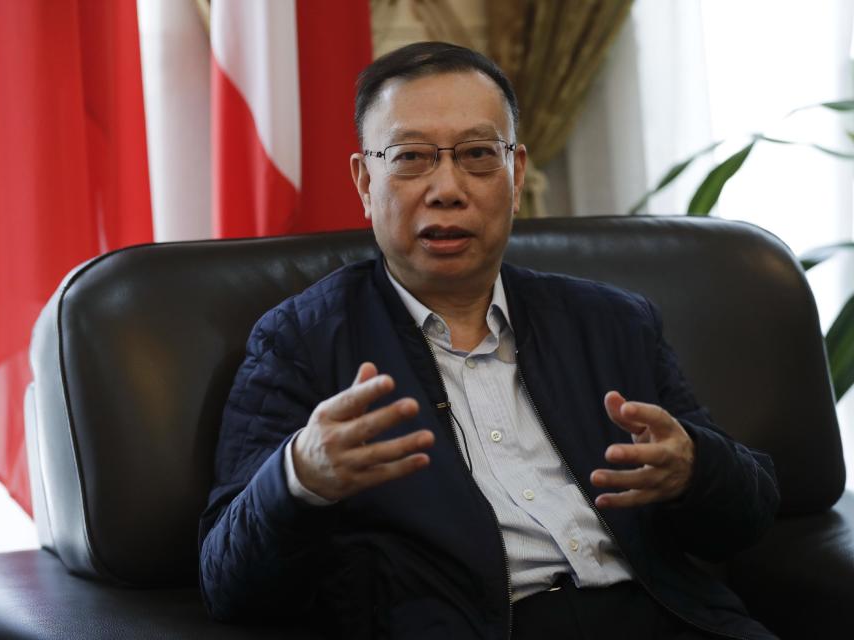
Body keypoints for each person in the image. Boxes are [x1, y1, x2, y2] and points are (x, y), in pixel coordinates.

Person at [198, 42, 779, 640]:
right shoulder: (300, 343)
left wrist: (693, 470)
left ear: (516, 173)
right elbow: (226, 582)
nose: (447, 188)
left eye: (478, 154)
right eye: (411, 157)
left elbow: (750, 515)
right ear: (365, 181)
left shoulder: (614, 323)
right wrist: (298, 479)